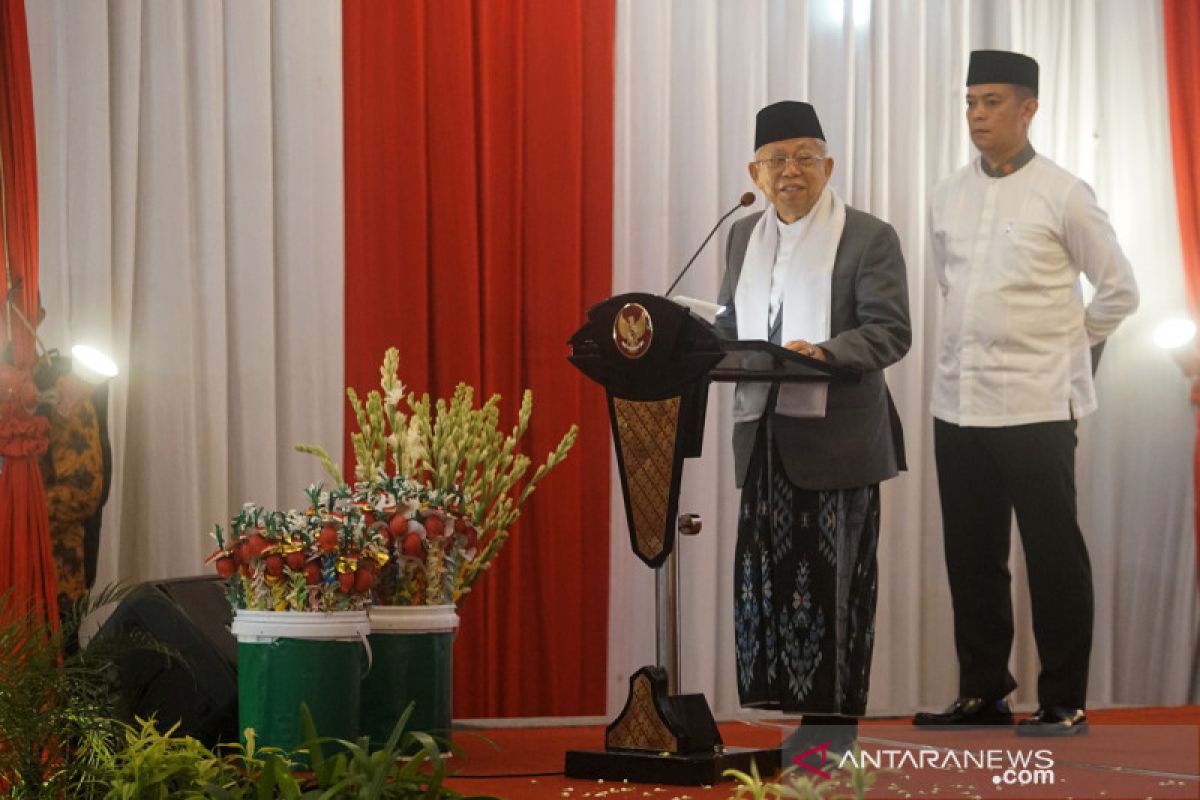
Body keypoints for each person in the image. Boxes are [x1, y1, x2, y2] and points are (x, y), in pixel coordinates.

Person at [914, 50, 1139, 737]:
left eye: (991, 102)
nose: (977, 115)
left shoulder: (1063, 192)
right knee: (972, 557)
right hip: (958, 403)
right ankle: (984, 692)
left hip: (1038, 405)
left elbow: (1120, 291)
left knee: (1052, 556)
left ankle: (1063, 699)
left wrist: (1066, 349)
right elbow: (955, 290)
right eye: (970, 102)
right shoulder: (947, 192)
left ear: (1028, 108)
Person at [713, 100, 910, 754]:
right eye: (775, 160)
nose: (789, 170)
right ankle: (792, 718)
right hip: (765, 439)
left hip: (838, 440)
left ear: (827, 164)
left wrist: (826, 353)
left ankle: (830, 728)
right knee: (770, 584)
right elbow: (727, 327)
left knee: (834, 585)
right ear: (755, 171)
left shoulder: (868, 236)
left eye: (803, 157)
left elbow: (889, 330)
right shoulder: (742, 236)